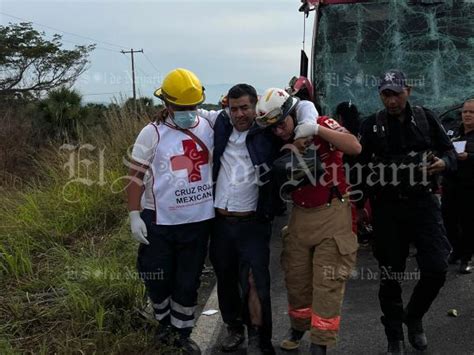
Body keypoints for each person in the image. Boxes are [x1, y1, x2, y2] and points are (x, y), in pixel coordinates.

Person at [200, 85, 318, 354]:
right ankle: (233, 328)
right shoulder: (219, 122)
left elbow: (300, 105)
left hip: (254, 222)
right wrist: (165, 112)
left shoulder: (267, 131)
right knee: (227, 278)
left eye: (245, 108)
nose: (239, 114)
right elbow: (190, 111)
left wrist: (308, 126)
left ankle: (259, 338)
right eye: (234, 108)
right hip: (220, 221)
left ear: (255, 107)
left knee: (255, 281)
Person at [255, 87, 361, 355]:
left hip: (333, 211)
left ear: (291, 112)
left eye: (282, 123)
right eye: (273, 128)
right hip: (301, 214)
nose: (279, 130)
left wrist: (315, 130)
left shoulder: (321, 123)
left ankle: (320, 343)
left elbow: (355, 147)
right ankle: (299, 326)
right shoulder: (276, 141)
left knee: (328, 282)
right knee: (297, 279)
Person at [356, 70, 456, 353]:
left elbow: (448, 152)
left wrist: (444, 164)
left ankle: (413, 317)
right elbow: (358, 168)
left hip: (423, 204)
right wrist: (358, 208)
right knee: (391, 274)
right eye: (386, 94)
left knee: (436, 268)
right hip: (387, 208)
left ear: (408, 91)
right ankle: (394, 335)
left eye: (396, 94)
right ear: (380, 95)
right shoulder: (370, 125)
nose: (391, 101)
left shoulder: (426, 118)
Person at [126, 68, 214, 354]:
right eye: (181, 108)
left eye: (193, 107)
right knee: (156, 275)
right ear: (166, 105)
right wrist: (134, 215)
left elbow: (246, 110)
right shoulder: (151, 133)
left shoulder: (210, 124)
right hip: (159, 221)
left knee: (188, 281)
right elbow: (135, 176)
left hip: (198, 222)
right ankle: (162, 320)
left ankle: (181, 332)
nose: (189, 112)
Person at [442, 98, 474, 274]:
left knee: (468, 222)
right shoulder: (453, 131)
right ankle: (457, 250)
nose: (467, 115)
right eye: (465, 112)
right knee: (448, 219)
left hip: (470, 186)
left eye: (471, 112)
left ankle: (466, 258)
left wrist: (468, 156)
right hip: (451, 183)